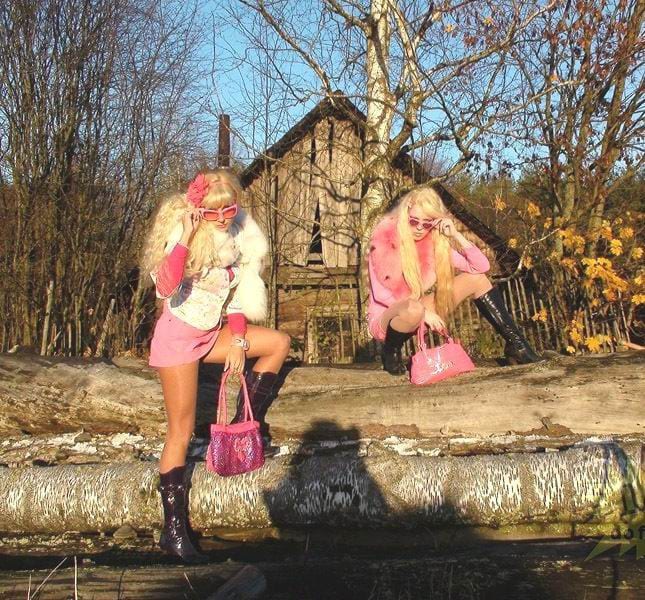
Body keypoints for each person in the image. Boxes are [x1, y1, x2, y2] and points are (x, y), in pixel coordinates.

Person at [140, 169, 291, 562]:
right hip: (178, 338)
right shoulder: (186, 233)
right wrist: (187, 235)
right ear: (198, 211)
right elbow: (165, 287)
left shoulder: (240, 236)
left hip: (211, 334)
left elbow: (239, 294)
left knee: (278, 343)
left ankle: (240, 428)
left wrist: (239, 339)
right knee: (181, 432)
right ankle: (173, 531)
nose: (222, 218)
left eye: (229, 209)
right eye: (212, 212)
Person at [367, 186, 541, 375]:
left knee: (477, 279)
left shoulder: (433, 246)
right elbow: (383, 295)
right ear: (406, 211)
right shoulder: (384, 241)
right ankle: (390, 352)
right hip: (388, 317)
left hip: (419, 310)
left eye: (427, 223)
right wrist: (424, 313)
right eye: (414, 221)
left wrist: (456, 235)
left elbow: (481, 267)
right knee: (413, 309)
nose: (419, 228)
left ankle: (517, 345)